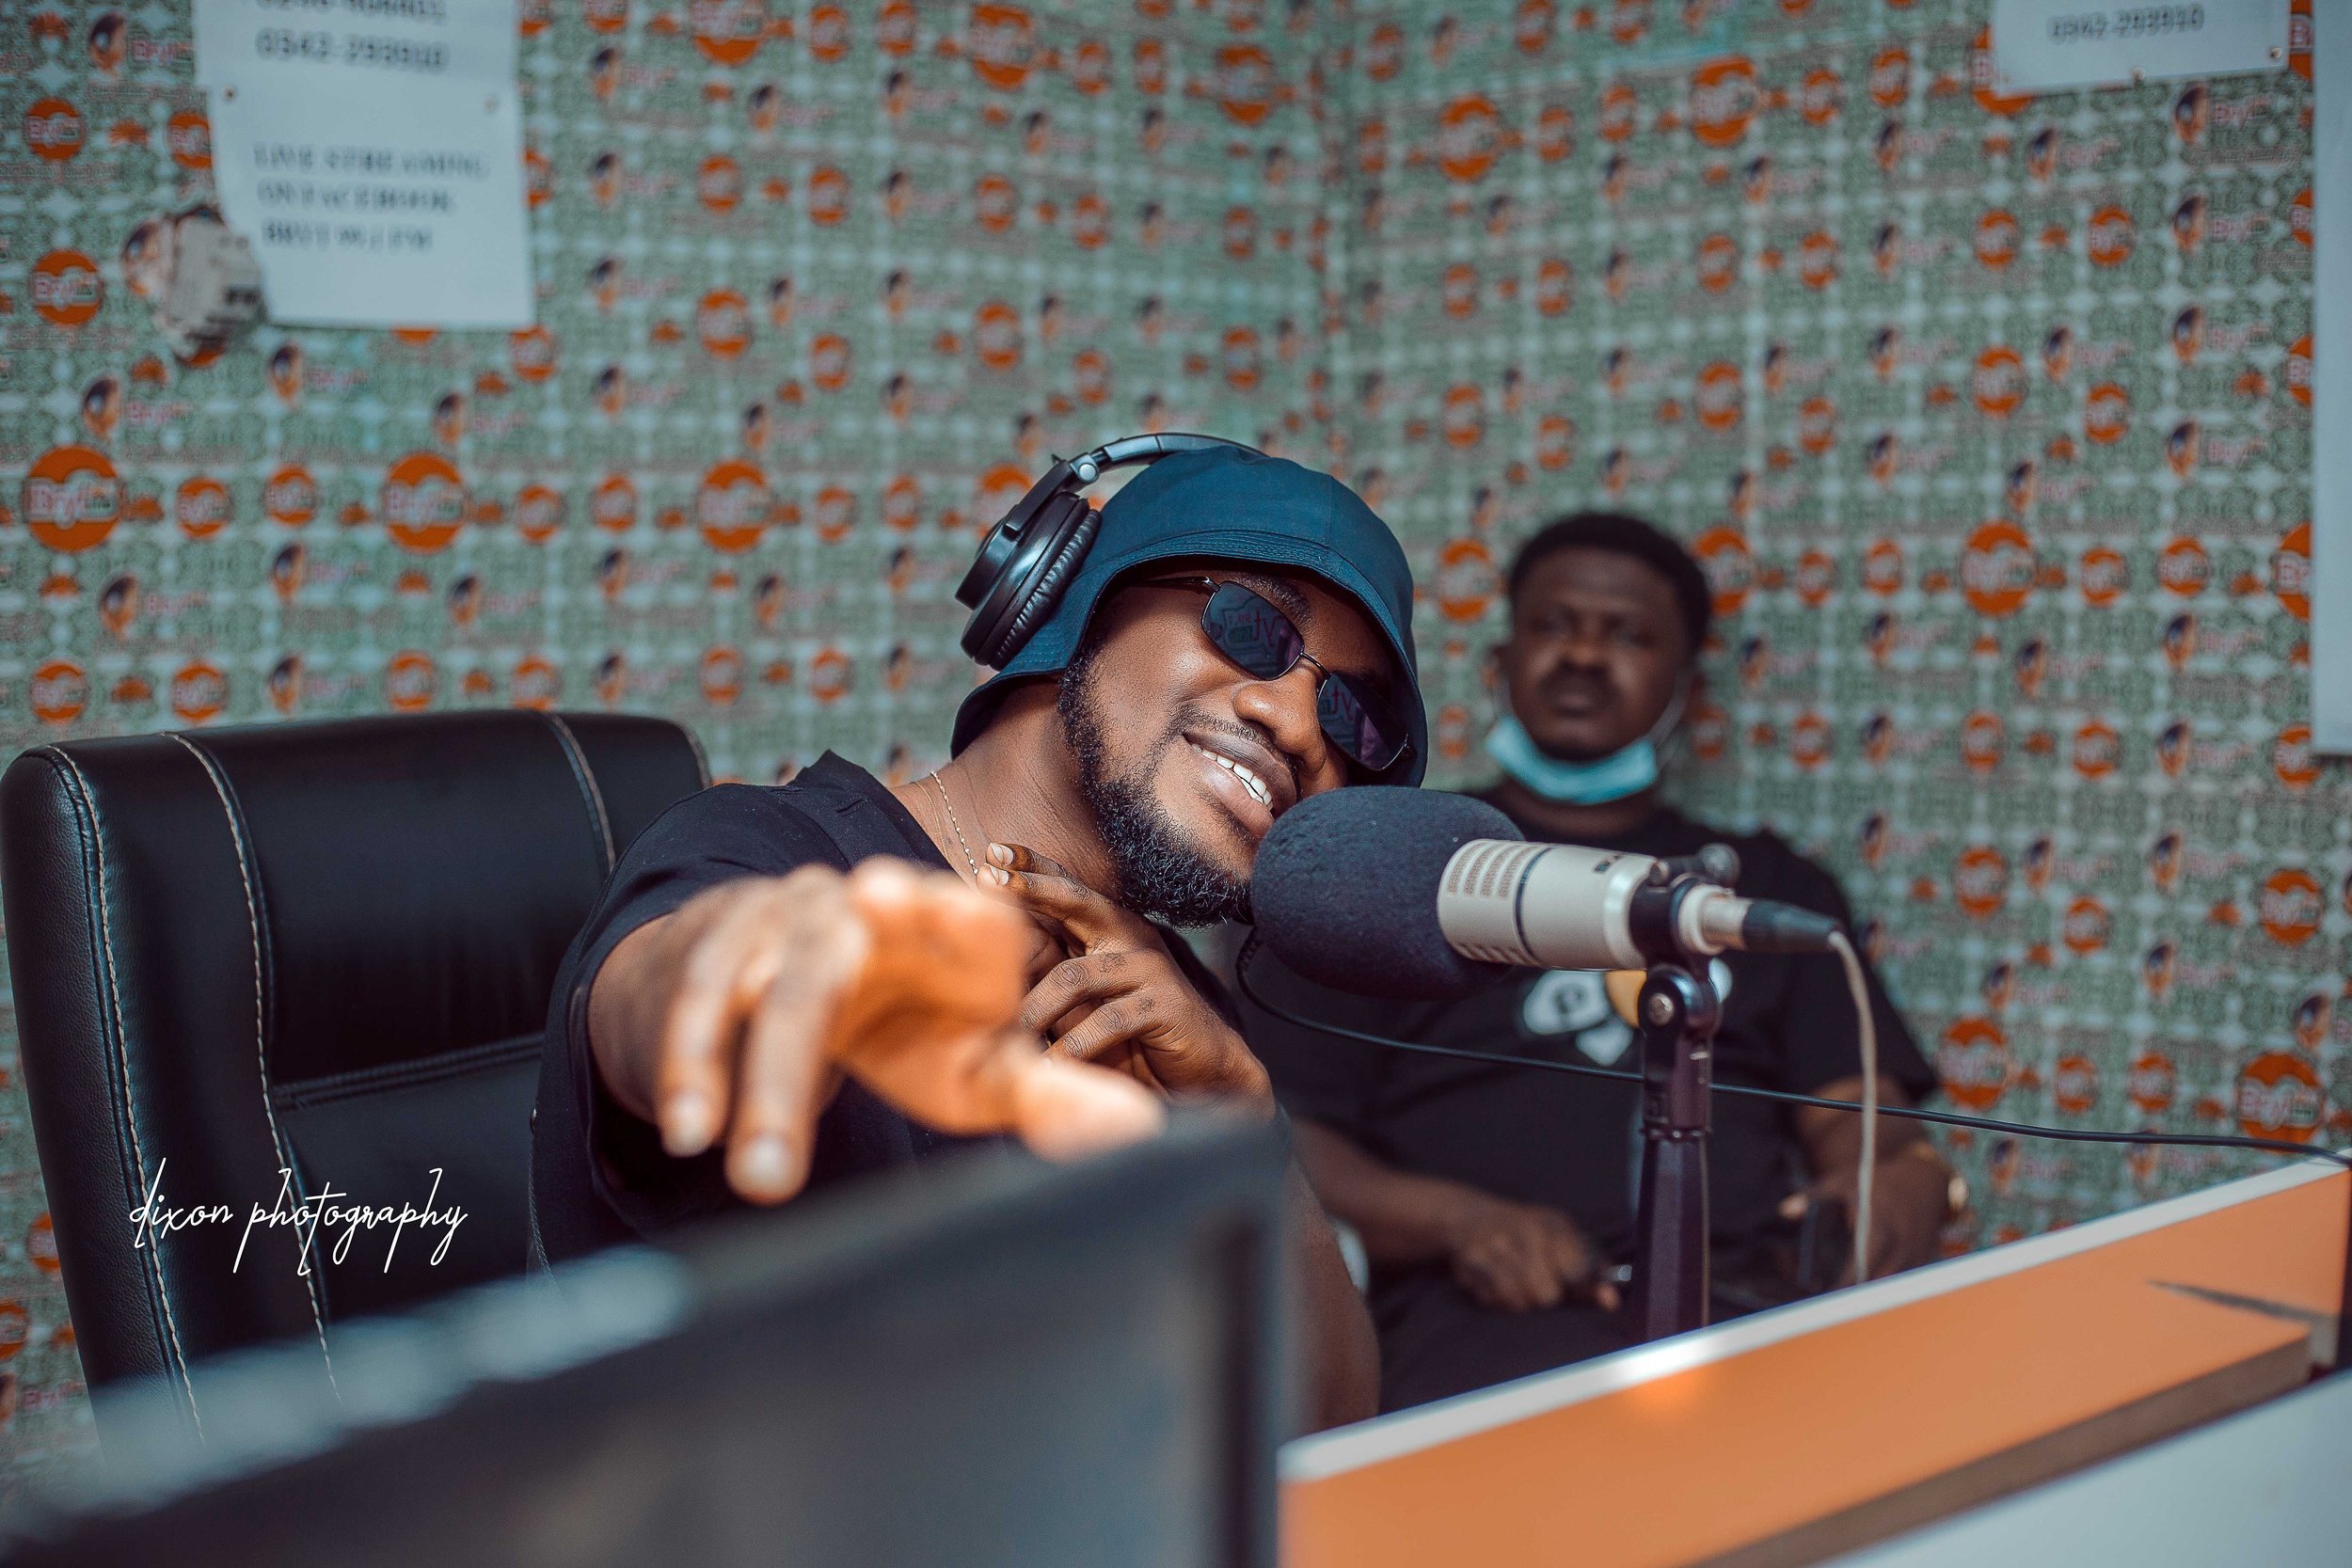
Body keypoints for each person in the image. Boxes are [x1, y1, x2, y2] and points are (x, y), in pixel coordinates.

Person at [532, 446, 1429, 1432]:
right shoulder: (761, 851)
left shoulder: (1169, 1008)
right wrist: (745, 968)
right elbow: (655, 1002)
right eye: (1252, 626)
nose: (1298, 723)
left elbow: (1325, 1426)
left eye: (1351, 712)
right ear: (1068, 595)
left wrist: (1250, 1132)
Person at [1241, 512, 1953, 1414]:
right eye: (1553, 625)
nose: (1582, 654)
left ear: (1686, 691)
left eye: (1628, 634)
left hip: (1750, 1310)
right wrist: (1459, 1222)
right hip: (1490, 1324)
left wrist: (1892, 1178)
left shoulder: (1768, 887)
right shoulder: (1392, 864)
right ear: (1500, 664)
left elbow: (1864, 1124)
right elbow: (1283, 1133)